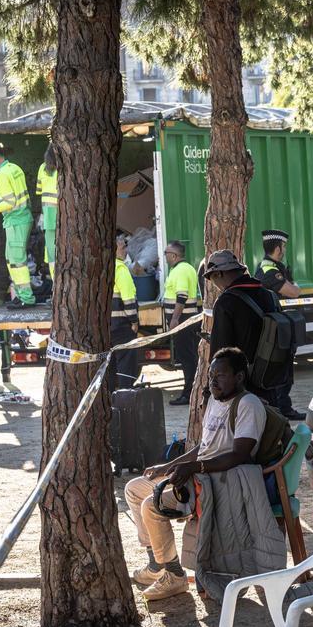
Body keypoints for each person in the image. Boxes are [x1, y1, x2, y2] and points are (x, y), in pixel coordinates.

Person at [123, 347, 266, 600]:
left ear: (240, 377)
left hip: (216, 482)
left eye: (220, 376)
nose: (213, 381)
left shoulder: (248, 404)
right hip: (196, 473)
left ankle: (175, 575)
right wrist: (168, 467)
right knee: (135, 488)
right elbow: (203, 447)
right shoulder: (215, 400)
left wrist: (194, 468)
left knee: (151, 505)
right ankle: (157, 564)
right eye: (211, 375)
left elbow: (240, 454)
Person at [203, 250, 281, 406]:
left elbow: (220, 354)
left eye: (212, 280)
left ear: (218, 274)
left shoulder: (226, 302)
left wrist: (208, 393)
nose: (216, 286)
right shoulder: (270, 296)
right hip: (271, 381)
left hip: (242, 391)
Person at [0, 141, 36, 309]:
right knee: (12, 259)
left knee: (17, 261)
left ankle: (26, 298)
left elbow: (9, 203)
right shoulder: (15, 168)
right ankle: (20, 295)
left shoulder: (1, 175)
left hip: (16, 220)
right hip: (22, 218)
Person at [257, 229, 305, 421]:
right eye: (283, 246)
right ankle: (281, 410)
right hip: (274, 328)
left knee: (283, 367)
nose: (284, 250)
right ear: (277, 248)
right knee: (281, 369)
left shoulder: (271, 267)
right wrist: (295, 285)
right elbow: (293, 292)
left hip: (277, 325)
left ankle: (282, 408)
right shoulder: (270, 270)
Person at [163, 240, 200, 406]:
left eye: (166, 253)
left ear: (174, 255)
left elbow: (182, 296)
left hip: (183, 322)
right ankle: (191, 391)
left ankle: (188, 393)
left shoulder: (180, 271)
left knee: (187, 358)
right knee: (190, 357)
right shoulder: (186, 268)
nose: (165, 256)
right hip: (187, 320)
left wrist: (175, 319)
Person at [110, 230, 141, 390]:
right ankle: (124, 395)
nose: (125, 251)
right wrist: (134, 321)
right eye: (122, 248)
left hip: (108, 326)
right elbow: (128, 299)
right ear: (113, 249)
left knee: (110, 365)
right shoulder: (120, 269)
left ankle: (111, 397)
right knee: (126, 363)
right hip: (122, 326)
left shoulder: (105, 268)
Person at [37, 143, 58, 269]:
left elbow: (39, 191)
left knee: (51, 250)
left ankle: (55, 282)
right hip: (62, 213)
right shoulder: (63, 169)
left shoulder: (42, 168)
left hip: (47, 213)